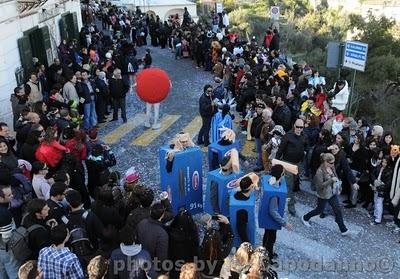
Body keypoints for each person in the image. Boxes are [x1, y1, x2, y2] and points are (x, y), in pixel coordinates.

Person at [301, 153, 350, 235]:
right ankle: (305, 217)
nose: (333, 164)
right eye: (331, 163)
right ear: (325, 162)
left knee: (337, 210)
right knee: (319, 210)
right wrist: (331, 180)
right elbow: (320, 186)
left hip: (332, 193)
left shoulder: (332, 167)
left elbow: (336, 176)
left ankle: (343, 229)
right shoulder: (319, 172)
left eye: (334, 162)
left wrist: (338, 186)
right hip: (323, 195)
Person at [276, 118, 309, 216]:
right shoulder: (288, 136)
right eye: (297, 127)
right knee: (289, 185)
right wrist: (276, 163)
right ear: (294, 125)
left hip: (298, 164)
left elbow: (307, 145)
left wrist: (305, 152)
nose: (299, 129)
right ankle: (291, 206)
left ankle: (289, 199)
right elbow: (280, 149)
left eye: (301, 127)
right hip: (288, 163)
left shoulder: (304, 136)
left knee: (294, 183)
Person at [262, 165, 293, 265]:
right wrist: (285, 224)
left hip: (268, 219)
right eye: (283, 173)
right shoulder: (274, 192)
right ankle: (267, 258)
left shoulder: (270, 181)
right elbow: (273, 211)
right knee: (269, 240)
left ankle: (269, 253)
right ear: (281, 175)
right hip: (270, 220)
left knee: (269, 237)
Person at [199, 213, 233, 278]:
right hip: (217, 275)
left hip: (204, 274)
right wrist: (227, 222)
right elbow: (230, 237)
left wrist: (208, 230)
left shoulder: (201, 250)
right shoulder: (223, 252)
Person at [136, 203, 169, 268]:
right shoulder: (162, 234)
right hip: (152, 268)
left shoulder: (141, 223)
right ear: (162, 216)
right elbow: (162, 259)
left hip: (139, 261)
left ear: (150, 211)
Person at [0, 184, 20, 278]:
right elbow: (6, 237)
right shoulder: (3, 213)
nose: (12, 196)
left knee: (2, 272)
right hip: (6, 249)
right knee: (13, 272)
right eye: (9, 195)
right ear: (1, 198)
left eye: (11, 193)